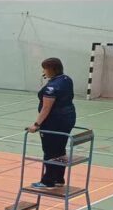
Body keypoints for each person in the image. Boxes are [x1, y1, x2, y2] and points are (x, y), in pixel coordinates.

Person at [27, 57, 77, 189]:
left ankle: (48, 181)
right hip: (68, 119)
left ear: (51, 69)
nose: (43, 71)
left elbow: (46, 108)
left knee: (49, 151)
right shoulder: (66, 79)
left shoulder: (52, 87)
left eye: (44, 69)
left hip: (54, 122)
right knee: (60, 149)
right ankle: (59, 179)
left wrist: (36, 125)